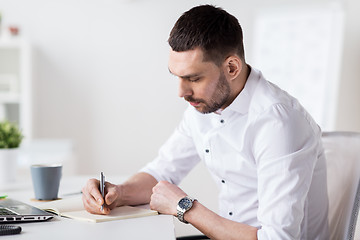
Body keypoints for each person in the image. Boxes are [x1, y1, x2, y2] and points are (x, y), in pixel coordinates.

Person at [82, 4, 329, 239]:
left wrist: (184, 207)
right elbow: (161, 172)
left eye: (193, 78)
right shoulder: (203, 106)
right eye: (177, 77)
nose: (181, 92)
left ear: (232, 67)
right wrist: (118, 193)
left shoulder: (277, 123)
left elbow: (277, 238)